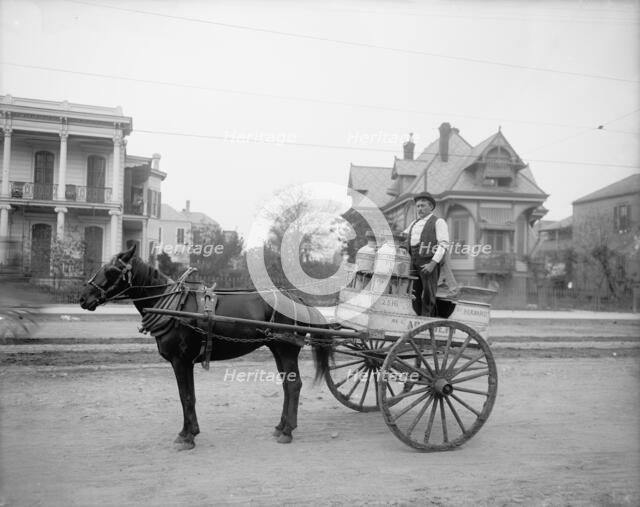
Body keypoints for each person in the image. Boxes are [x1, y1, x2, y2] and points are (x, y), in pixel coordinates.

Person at [403, 191, 450, 317]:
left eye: (423, 206)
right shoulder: (413, 223)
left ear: (431, 207)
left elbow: (444, 244)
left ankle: (427, 320)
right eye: (418, 206)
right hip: (413, 263)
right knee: (412, 292)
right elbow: (402, 238)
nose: (419, 208)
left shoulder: (438, 222)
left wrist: (432, 264)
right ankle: (416, 318)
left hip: (428, 262)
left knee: (428, 293)